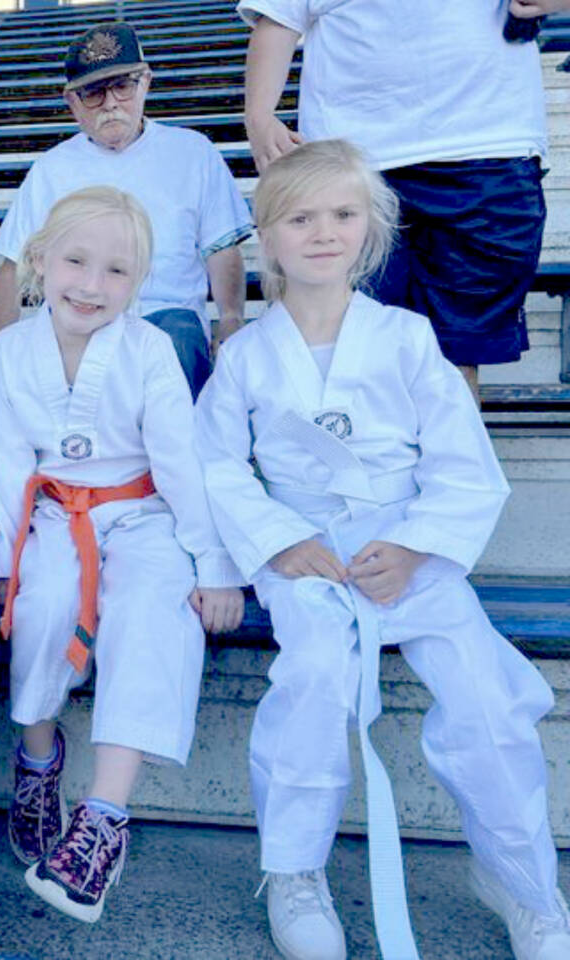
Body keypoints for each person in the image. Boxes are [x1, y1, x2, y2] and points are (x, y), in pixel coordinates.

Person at [196, 139, 570, 960]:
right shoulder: (249, 357)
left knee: (486, 697)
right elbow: (215, 464)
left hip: (409, 553)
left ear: (370, 231)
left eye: (342, 215)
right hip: (309, 561)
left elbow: (464, 465)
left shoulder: (406, 338)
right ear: (267, 234)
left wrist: (411, 547)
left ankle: (523, 883)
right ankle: (294, 871)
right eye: (299, 217)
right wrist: (278, 541)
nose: (323, 232)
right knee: (316, 680)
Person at [0, 186, 244, 924]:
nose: (93, 286)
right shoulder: (10, 350)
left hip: (142, 512)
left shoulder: (149, 349)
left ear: (141, 282)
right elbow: (4, 462)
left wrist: (213, 564)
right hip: (52, 513)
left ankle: (104, 815)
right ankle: (38, 762)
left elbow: (181, 462)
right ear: (38, 261)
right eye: (75, 261)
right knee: (42, 602)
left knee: (154, 604)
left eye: (118, 272)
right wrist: (3, 560)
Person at [239, 0, 570, 401]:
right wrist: (259, 117)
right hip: (356, 158)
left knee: (455, 351)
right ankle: (366, 460)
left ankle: (453, 460)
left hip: (487, 146)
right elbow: (278, 19)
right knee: (350, 340)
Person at [0, 21, 252, 397]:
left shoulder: (193, 152)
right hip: (79, 317)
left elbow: (221, 248)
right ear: (72, 102)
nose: (111, 103)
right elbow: (13, 266)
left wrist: (230, 319)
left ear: (145, 82)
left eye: (123, 85)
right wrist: (3, 351)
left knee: (172, 346)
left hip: (168, 317)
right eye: (94, 93)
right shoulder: (52, 168)